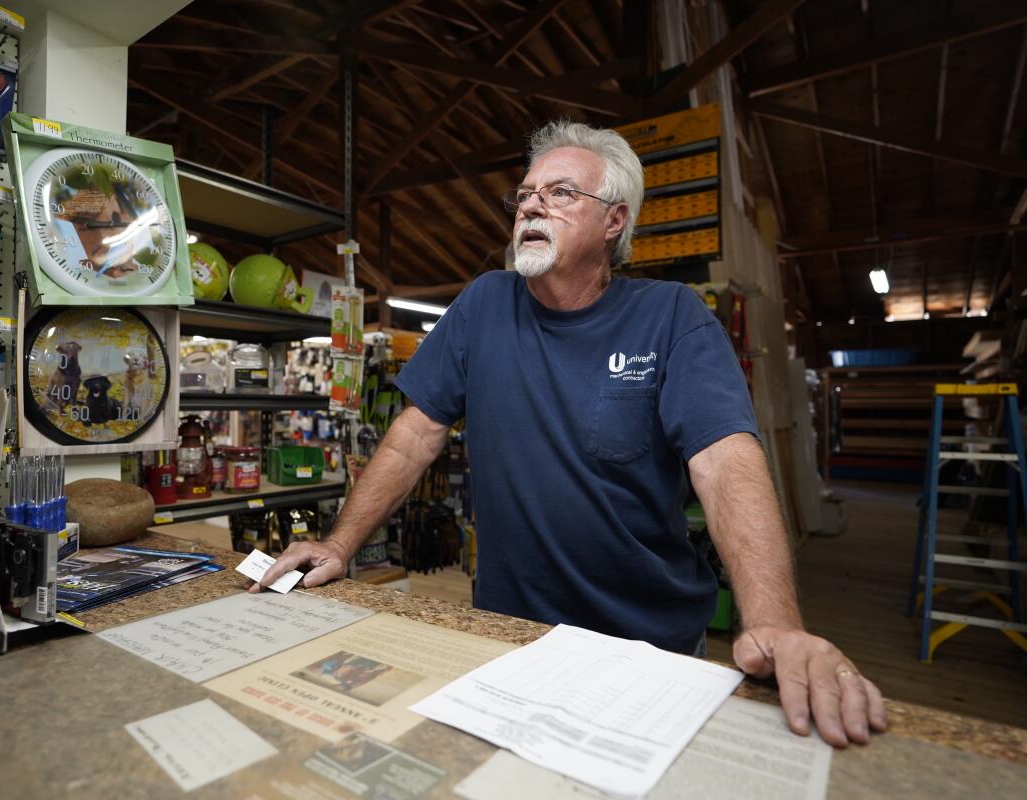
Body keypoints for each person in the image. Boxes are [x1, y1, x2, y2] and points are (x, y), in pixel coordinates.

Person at [254, 121, 887, 748]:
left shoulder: (670, 317)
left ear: (614, 222)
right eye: (525, 194)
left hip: (651, 645)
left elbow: (726, 465)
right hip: (509, 633)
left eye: (559, 193)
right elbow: (414, 436)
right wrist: (340, 545)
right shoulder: (483, 305)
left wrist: (776, 626)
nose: (531, 205)